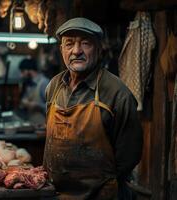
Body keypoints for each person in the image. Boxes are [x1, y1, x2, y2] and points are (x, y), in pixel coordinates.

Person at [43, 18, 143, 200]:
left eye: (85, 44)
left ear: (98, 49)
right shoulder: (54, 86)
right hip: (55, 193)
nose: (76, 51)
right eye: (69, 44)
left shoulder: (117, 93)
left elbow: (129, 154)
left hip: (101, 195)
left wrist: (104, 184)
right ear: (61, 49)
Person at [18, 58, 49, 125]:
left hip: (44, 127)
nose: (21, 75)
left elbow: (53, 107)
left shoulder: (44, 83)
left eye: (23, 71)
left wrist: (37, 105)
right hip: (32, 125)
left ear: (30, 71)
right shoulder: (29, 83)